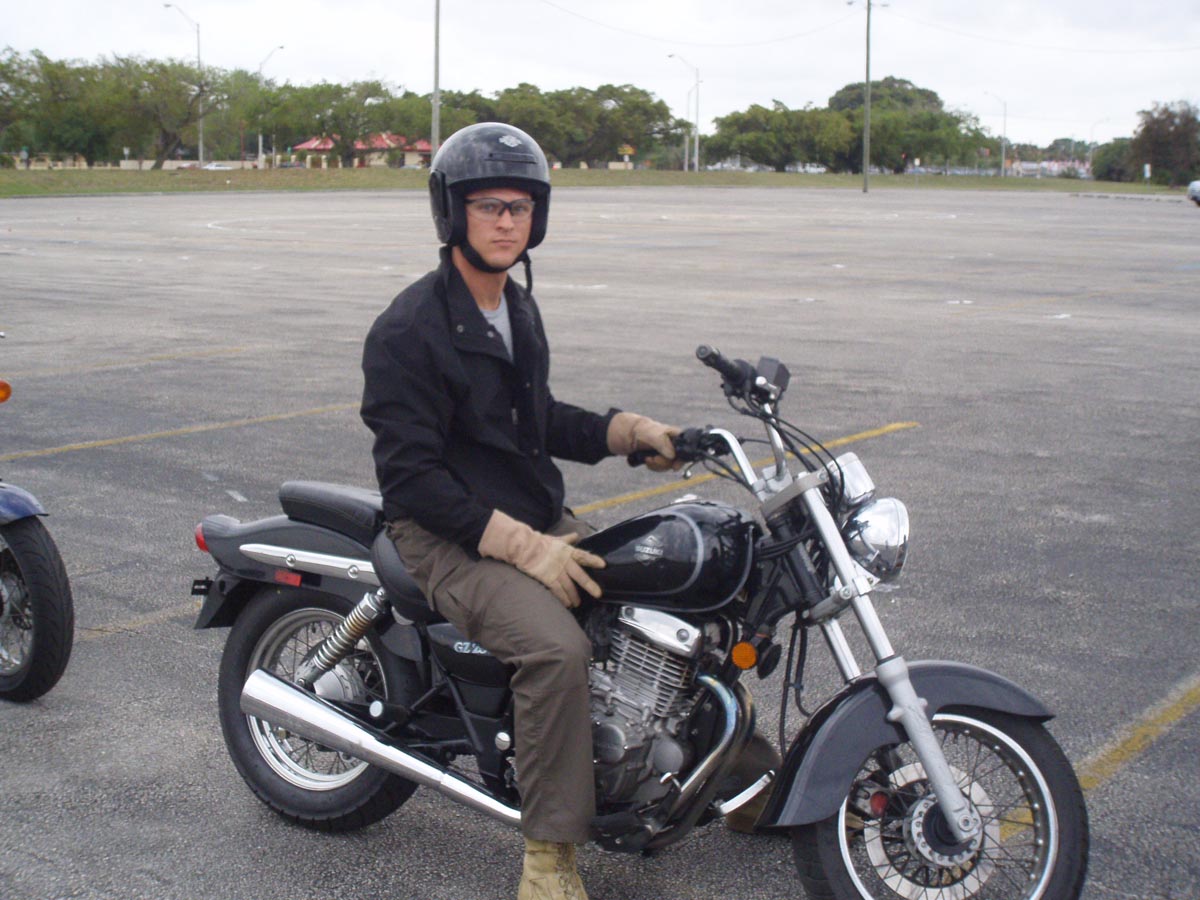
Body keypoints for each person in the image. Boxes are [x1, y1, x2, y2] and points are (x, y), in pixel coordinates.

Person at [360, 122, 682, 900]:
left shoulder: (516, 307)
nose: (506, 221)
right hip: (447, 536)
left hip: (530, 516)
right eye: (488, 205)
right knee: (555, 652)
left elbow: (537, 420)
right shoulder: (408, 330)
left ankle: (729, 774)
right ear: (453, 212)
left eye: (521, 206)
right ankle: (548, 858)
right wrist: (525, 547)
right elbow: (411, 479)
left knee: (662, 599)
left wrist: (630, 433)